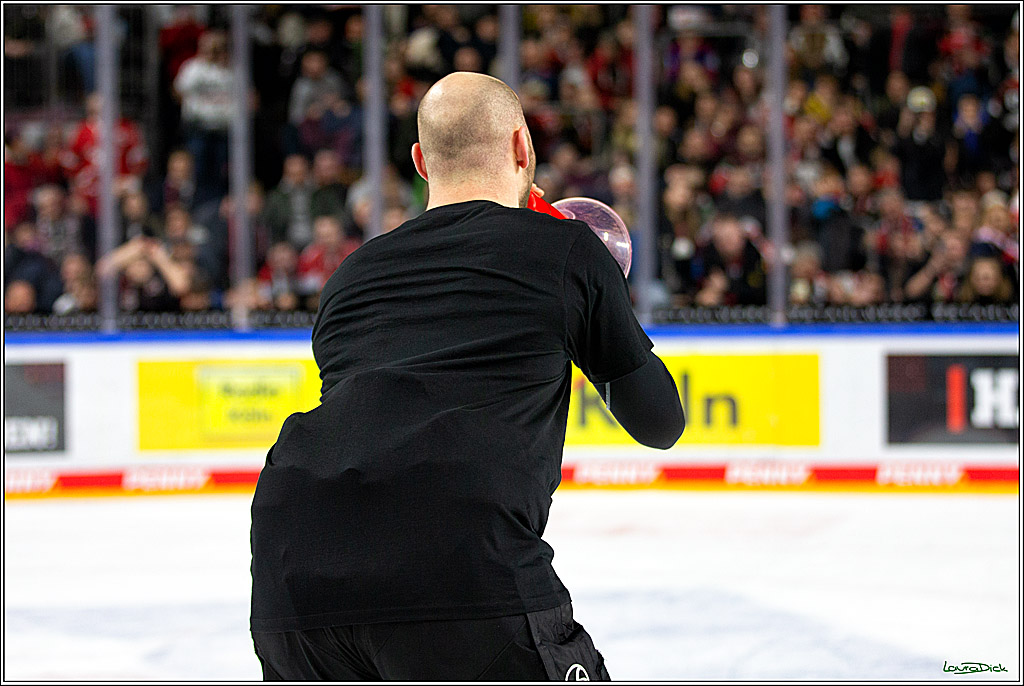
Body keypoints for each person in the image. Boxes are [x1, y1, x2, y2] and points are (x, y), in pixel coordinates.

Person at [250, 72, 685, 681]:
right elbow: (661, 423)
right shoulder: (566, 249)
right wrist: (599, 312)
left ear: (421, 161)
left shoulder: (352, 273)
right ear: (522, 149)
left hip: (292, 568)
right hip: (458, 563)